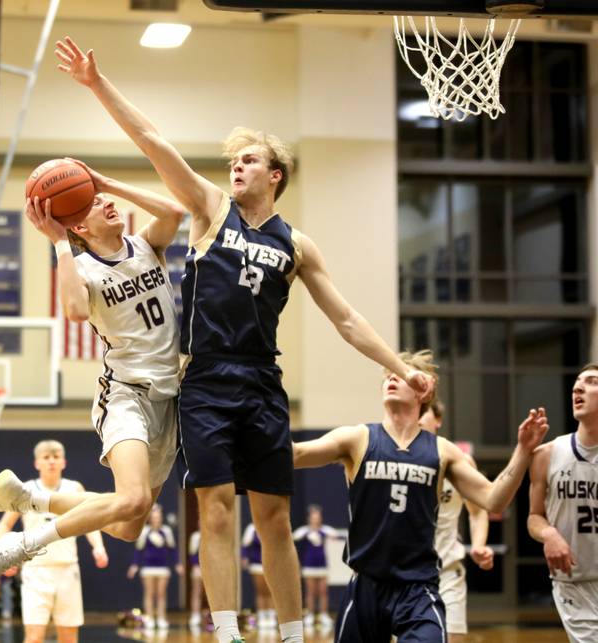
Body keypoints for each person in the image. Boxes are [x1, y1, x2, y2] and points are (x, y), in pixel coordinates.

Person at [54, 35, 434, 643]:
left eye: (250, 160)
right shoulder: (209, 208)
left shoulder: (298, 243)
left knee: (275, 517)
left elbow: (345, 319)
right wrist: (97, 86)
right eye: (234, 159)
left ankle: (288, 633)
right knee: (216, 510)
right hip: (204, 378)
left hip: (262, 381)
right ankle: (228, 634)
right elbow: (155, 142)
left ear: (275, 175)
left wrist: (401, 366)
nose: (237, 166)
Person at [0, 168, 186, 579]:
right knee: (133, 498)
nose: (109, 203)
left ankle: (28, 497)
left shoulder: (145, 246)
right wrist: (58, 241)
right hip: (126, 395)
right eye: (96, 204)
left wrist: (106, 182)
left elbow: (174, 210)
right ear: (80, 224)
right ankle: (21, 545)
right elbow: (75, 310)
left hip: (168, 398)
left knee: (127, 523)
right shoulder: (82, 267)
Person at [293, 349, 549, 642]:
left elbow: (493, 499)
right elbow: (298, 453)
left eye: (400, 375)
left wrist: (522, 450)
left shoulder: (442, 451)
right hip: (366, 583)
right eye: (388, 375)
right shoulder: (358, 438)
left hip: (417, 588)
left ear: (422, 392)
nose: (391, 377)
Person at [0, 440, 108, 643]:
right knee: (34, 637)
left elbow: (91, 521)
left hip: (67, 570)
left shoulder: (74, 488)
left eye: (55, 457)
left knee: (69, 638)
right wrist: (4, 556)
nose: (51, 462)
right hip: (35, 571)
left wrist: (98, 547)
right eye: (46, 458)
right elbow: (4, 525)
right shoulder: (25, 490)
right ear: (37, 463)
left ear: (63, 462)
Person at [528, 363, 598, 642]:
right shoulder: (547, 453)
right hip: (574, 584)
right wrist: (549, 534)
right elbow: (534, 516)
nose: (578, 387)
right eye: (576, 384)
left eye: (591, 381)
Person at [418, 400, 495, 643]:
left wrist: (479, 543)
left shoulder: (457, 460)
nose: (418, 417)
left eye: (424, 411)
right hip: (408, 574)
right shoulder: (395, 459)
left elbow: (478, 510)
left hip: (447, 570)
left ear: (438, 419)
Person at [126, 504, 182, 632]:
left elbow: (173, 550)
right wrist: (134, 565)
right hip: (148, 568)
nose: (156, 519)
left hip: (162, 568)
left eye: (158, 517)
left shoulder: (166, 531)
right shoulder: (145, 531)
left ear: (161, 518)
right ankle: (150, 618)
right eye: (154, 517)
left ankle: (162, 618)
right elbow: (139, 551)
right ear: (150, 519)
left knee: (161, 594)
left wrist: (177, 563)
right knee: (149, 593)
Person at [292, 505, 338, 632]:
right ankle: (310, 615)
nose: (316, 520)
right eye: (313, 518)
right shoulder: (305, 531)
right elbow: (294, 536)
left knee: (323, 591)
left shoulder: (324, 530)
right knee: (311, 591)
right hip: (309, 565)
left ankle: (323, 615)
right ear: (310, 519)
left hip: (322, 565)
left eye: (318, 517)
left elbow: (335, 534)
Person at [241, 523, 276, 632]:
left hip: (271, 564)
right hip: (257, 565)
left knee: (271, 591)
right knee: (261, 591)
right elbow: (245, 546)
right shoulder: (252, 528)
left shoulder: (272, 524)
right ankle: (261, 616)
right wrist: (244, 558)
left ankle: (271, 616)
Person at [187, 526, 206, 631]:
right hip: (198, 568)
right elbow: (192, 554)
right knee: (196, 592)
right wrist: (196, 566)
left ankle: (210, 615)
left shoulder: (213, 535)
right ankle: (195, 615)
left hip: (211, 569)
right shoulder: (195, 537)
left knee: (209, 594)